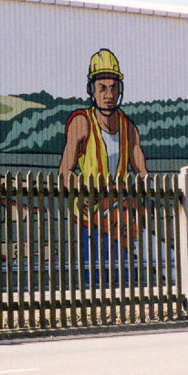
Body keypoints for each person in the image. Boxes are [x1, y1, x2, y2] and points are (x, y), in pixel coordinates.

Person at [59, 48, 148, 285]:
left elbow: (141, 170)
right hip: (91, 217)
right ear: (92, 91)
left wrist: (144, 191)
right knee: (93, 277)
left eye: (113, 87)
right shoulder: (81, 123)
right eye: (102, 88)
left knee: (124, 276)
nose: (109, 94)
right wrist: (81, 189)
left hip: (120, 216)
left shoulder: (127, 126)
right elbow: (65, 172)